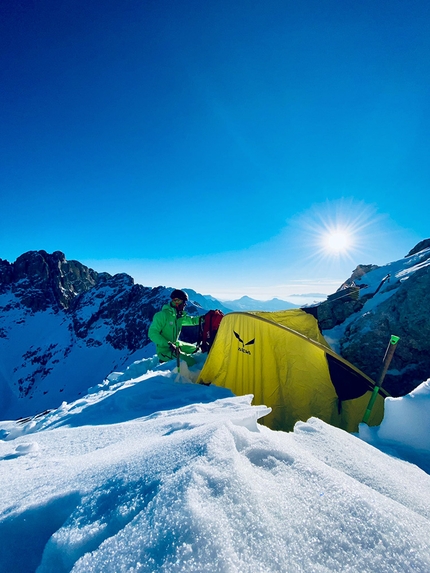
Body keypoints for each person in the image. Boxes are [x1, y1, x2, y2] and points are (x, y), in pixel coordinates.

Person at [148, 289, 201, 366]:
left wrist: (205, 318)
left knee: (197, 350)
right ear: (177, 301)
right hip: (164, 350)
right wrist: (168, 344)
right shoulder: (162, 315)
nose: (185, 304)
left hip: (175, 344)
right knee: (191, 362)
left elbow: (191, 321)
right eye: (183, 302)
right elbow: (152, 333)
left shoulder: (178, 316)